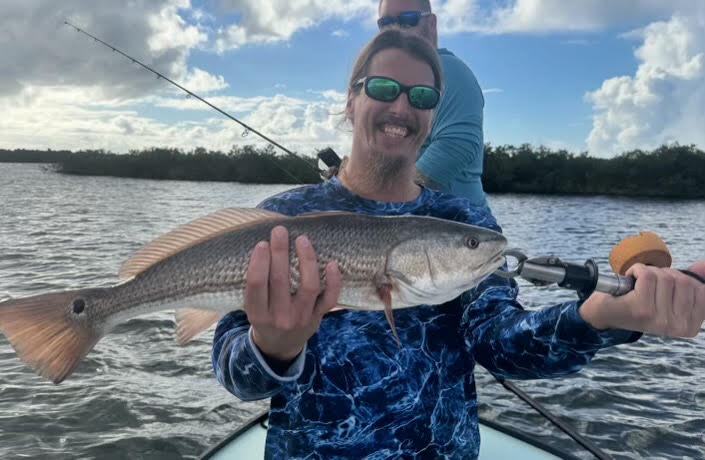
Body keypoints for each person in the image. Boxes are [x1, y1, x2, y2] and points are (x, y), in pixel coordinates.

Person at [212, 31, 705, 459]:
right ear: (351, 100)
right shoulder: (283, 217)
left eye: (423, 97)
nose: (402, 107)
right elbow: (236, 377)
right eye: (384, 88)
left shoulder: (460, 219)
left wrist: (601, 317)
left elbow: (503, 345)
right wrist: (273, 347)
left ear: (433, 116)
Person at [378, 0, 488, 207]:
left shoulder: (449, 70)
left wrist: (388, 198)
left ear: (431, 24)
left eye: (407, 21)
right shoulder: (394, 80)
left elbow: (456, 146)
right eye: (386, 22)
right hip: (413, 224)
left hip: (459, 227)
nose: (395, 30)